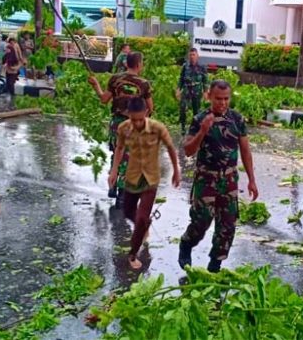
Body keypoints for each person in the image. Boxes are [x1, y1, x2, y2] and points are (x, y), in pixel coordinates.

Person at [178, 80, 259, 273]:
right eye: (218, 99)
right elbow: (188, 150)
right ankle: (187, 244)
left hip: (229, 179)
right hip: (207, 178)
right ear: (209, 96)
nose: (222, 103)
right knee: (202, 219)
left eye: (226, 99)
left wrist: (252, 180)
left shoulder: (237, 119)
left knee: (228, 225)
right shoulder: (200, 119)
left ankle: (215, 263)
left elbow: (245, 150)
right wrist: (203, 131)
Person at [108, 97, 180, 270]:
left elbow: (171, 147)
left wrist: (177, 170)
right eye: (134, 119)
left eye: (140, 119)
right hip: (131, 176)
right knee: (127, 212)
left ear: (147, 113)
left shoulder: (157, 128)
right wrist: (114, 170)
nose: (137, 123)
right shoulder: (123, 128)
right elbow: (119, 148)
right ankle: (144, 226)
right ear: (128, 114)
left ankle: (133, 254)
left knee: (141, 218)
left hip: (151, 178)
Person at [89, 52, 154, 205]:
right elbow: (151, 107)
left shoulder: (115, 79)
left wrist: (95, 85)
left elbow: (104, 99)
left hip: (116, 123)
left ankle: (113, 183)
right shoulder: (144, 84)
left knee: (116, 152)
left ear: (126, 64)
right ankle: (122, 194)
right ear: (139, 65)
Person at [176, 48, 209, 135]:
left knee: (196, 111)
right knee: (182, 108)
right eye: (190, 55)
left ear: (197, 56)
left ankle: (195, 128)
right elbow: (181, 79)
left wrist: (206, 92)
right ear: (188, 56)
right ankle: (183, 127)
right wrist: (178, 89)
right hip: (186, 89)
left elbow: (205, 80)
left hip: (197, 90)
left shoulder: (202, 67)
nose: (192, 57)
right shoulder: (185, 66)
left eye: (193, 55)